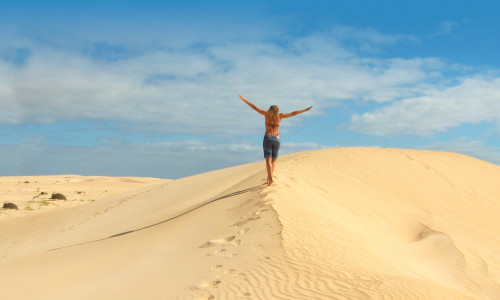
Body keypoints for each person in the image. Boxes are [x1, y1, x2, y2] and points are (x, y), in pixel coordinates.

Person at [238, 94, 313, 185]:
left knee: (268, 160)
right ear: (277, 111)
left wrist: (244, 100)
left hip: (268, 138)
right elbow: (293, 113)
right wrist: (305, 110)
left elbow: (254, 107)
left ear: (270, 109)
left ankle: (269, 177)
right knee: (274, 160)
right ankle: (269, 178)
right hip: (277, 139)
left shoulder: (266, 114)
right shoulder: (280, 116)